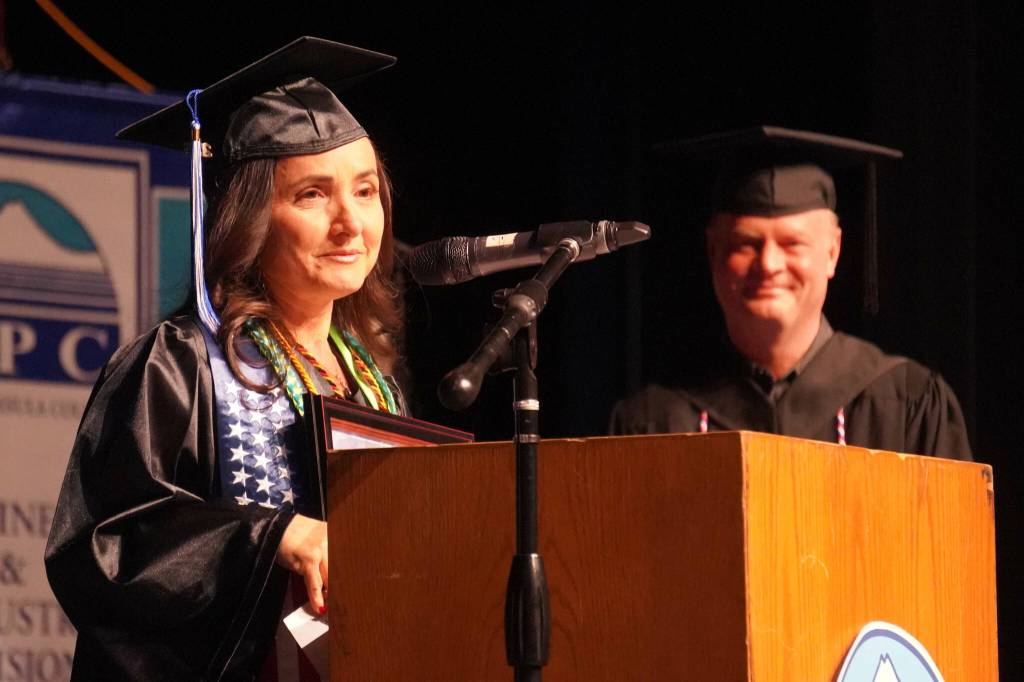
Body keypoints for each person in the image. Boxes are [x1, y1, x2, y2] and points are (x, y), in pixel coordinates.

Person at [44, 37, 405, 680]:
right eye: (313, 196)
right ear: (249, 217)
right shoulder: (178, 364)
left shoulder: (374, 384)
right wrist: (274, 538)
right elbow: (105, 546)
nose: (350, 222)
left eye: (366, 190)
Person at [610, 126, 972, 460]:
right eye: (746, 244)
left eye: (792, 244)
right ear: (713, 252)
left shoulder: (908, 403)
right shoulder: (651, 420)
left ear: (832, 252)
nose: (768, 264)